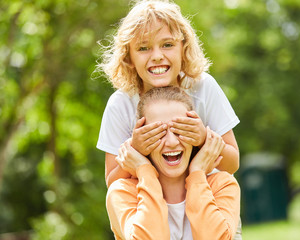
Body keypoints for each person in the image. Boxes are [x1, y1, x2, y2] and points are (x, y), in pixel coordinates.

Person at [96, 0, 240, 187]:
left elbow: (232, 164)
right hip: (152, 209)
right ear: (128, 57)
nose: (156, 56)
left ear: (183, 48)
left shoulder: (203, 87)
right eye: (143, 48)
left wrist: (204, 138)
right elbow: (113, 183)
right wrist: (135, 149)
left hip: (207, 203)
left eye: (167, 45)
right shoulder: (120, 104)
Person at [106, 86, 241, 240]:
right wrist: (144, 171)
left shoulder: (222, 185)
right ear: (142, 139)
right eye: (159, 132)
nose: (171, 142)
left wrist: (197, 173)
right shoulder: (123, 192)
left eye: (180, 131)